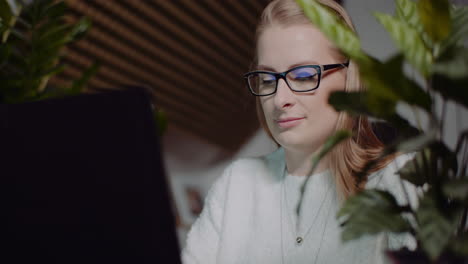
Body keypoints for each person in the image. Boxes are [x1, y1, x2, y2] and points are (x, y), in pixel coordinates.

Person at [182, 0, 417, 263]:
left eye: (304, 75)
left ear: (350, 78)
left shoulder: (401, 180)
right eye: (268, 79)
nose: (280, 99)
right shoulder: (236, 184)